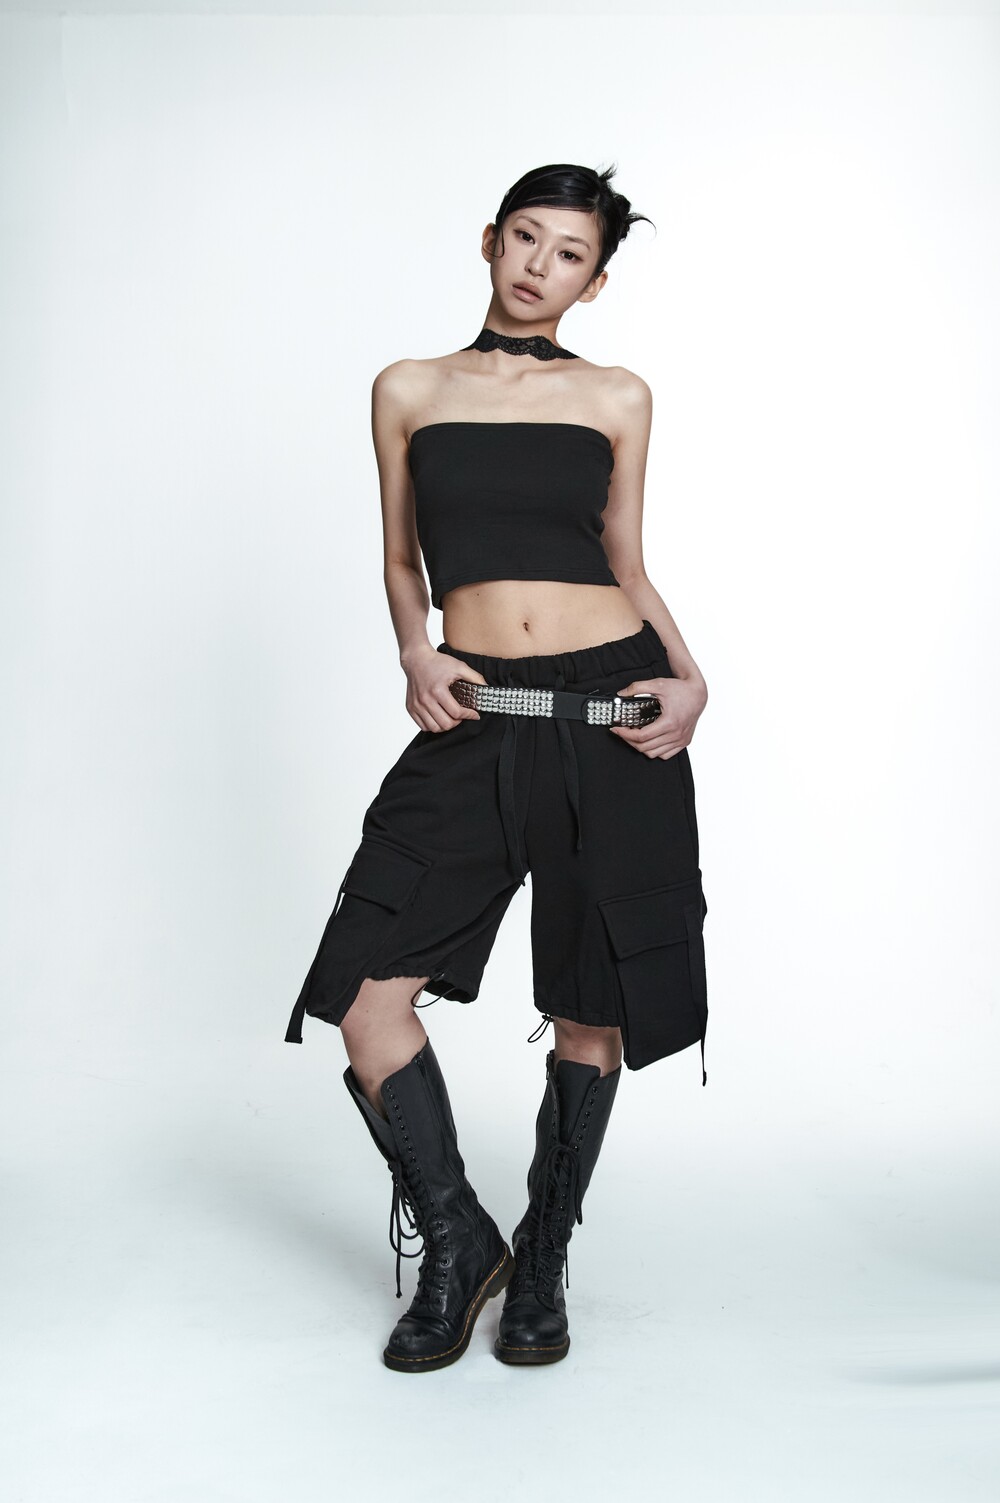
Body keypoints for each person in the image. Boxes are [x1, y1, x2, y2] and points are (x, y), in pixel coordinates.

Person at [285, 162, 710, 1374]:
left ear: (594, 281)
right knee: (367, 997)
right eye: (525, 238)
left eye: (568, 254)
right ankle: (459, 1240)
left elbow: (625, 560)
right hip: (470, 713)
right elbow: (400, 556)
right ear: (489, 240)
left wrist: (692, 679)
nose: (538, 266)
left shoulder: (617, 395)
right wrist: (413, 649)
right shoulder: (408, 387)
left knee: (591, 1003)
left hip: (611, 712)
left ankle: (545, 1259)